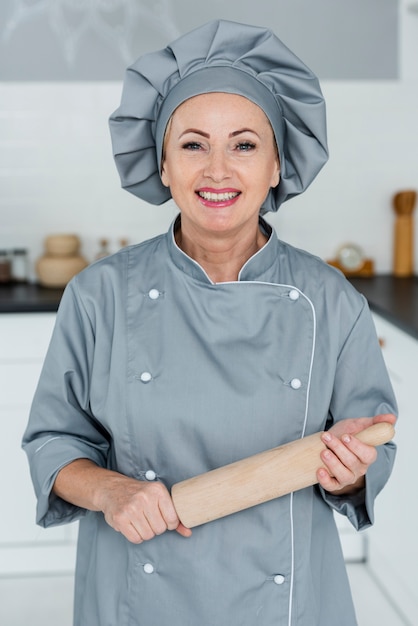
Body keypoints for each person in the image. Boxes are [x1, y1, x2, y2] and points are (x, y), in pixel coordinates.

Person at [23, 19, 397, 626]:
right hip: (136, 593)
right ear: (163, 166)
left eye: (245, 145)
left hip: (289, 597)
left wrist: (353, 472)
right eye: (193, 145)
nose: (218, 170)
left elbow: (371, 452)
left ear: (278, 166)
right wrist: (110, 490)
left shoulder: (330, 300)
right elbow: (52, 444)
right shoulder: (99, 295)